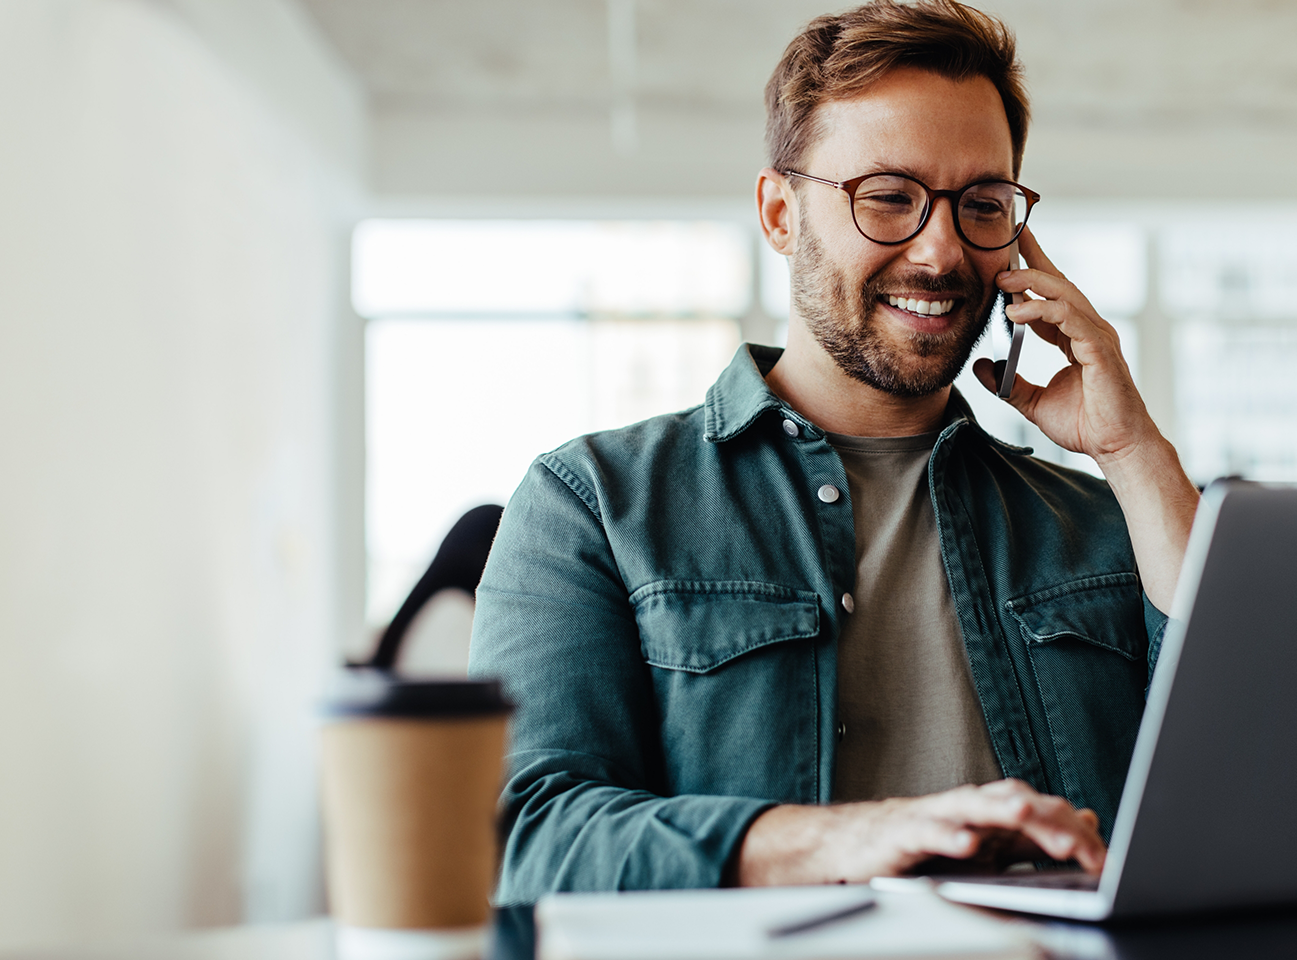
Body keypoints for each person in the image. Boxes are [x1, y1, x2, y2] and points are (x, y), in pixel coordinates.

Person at [469, 0, 1200, 904]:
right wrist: (854, 836)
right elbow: (521, 837)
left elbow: (1255, 775)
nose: (941, 252)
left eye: (981, 204)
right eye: (888, 196)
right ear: (780, 212)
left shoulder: (1100, 523)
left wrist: (1132, 451)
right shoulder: (593, 502)